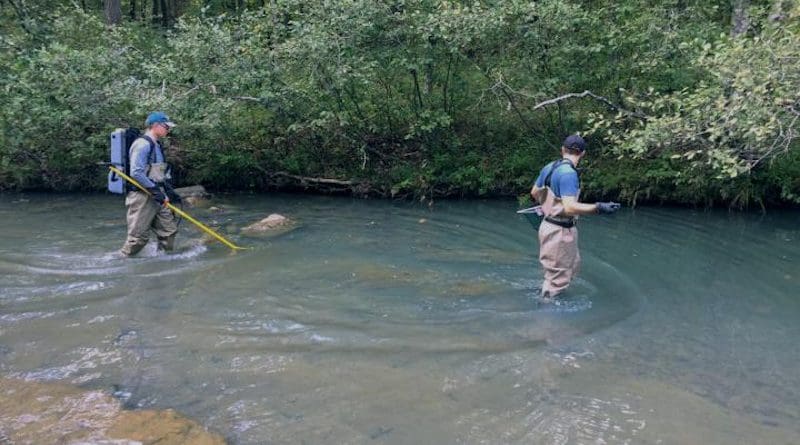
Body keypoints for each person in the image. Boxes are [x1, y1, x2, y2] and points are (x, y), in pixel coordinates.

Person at [530, 134, 620, 299]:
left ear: (563, 149)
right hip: (559, 231)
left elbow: (535, 192)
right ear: (583, 153)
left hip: (551, 226)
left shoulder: (550, 167)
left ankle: (549, 294)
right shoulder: (568, 174)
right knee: (557, 280)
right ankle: (547, 317)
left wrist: (548, 206)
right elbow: (570, 207)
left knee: (572, 265)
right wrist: (598, 207)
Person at [119, 112, 182, 256]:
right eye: (166, 126)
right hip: (142, 195)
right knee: (138, 239)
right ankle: (120, 261)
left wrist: (167, 190)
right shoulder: (142, 144)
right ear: (155, 125)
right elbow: (136, 172)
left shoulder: (157, 144)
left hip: (158, 194)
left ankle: (162, 260)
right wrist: (155, 191)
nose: (168, 129)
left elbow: (159, 171)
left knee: (169, 231)